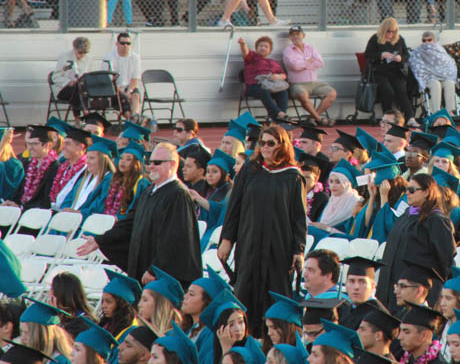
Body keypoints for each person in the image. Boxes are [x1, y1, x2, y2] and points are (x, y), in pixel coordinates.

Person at [217, 125, 305, 338]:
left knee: (274, 296)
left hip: (279, 247)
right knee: (245, 291)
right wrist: (227, 239)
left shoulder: (292, 176)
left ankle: (274, 345)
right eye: (262, 143)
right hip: (249, 243)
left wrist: (298, 249)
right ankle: (244, 344)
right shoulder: (250, 170)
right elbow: (234, 208)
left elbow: (299, 217)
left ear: (282, 146)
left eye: (271, 144)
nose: (265, 147)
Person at [76, 141, 201, 287]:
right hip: (144, 269)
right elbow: (129, 223)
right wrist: (101, 240)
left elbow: (174, 239)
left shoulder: (178, 195)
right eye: (150, 161)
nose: (151, 166)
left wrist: (155, 269)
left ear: (172, 165)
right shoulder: (150, 192)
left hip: (161, 276)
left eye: (157, 162)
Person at [376, 173, 456, 313]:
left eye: (412, 190)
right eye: (407, 189)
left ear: (426, 192)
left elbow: (446, 259)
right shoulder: (407, 215)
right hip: (391, 285)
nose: (407, 193)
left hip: (417, 288)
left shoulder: (435, 220)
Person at [283, 25, 337, 127]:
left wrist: (302, 63)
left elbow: (320, 63)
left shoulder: (311, 48)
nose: (295, 37)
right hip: (298, 84)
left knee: (332, 93)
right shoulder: (288, 51)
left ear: (303, 35)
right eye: (292, 35)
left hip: (314, 83)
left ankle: (312, 118)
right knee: (302, 95)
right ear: (290, 38)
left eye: (297, 34)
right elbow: (294, 66)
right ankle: (319, 119)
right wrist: (308, 61)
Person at [364, 17, 414, 125]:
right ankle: (387, 117)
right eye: (388, 31)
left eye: (393, 32)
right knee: (388, 91)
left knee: (401, 91)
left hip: (395, 71)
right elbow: (368, 56)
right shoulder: (375, 39)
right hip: (379, 72)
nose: (390, 34)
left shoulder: (399, 39)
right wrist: (381, 55)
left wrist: (400, 58)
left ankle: (410, 117)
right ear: (384, 30)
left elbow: (406, 55)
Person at [237, 35, 289, 122]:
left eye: (266, 46)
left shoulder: (274, 62)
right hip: (254, 86)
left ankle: (279, 122)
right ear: (256, 48)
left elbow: (283, 75)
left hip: (271, 86)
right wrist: (243, 44)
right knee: (263, 92)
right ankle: (279, 115)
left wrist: (278, 76)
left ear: (270, 50)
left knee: (283, 93)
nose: (263, 48)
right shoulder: (252, 57)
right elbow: (245, 51)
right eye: (260, 46)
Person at [409, 30, 458, 116]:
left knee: (450, 83)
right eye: (424, 40)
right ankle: (437, 112)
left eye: (429, 40)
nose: (426, 42)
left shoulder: (440, 50)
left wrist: (443, 73)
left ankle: (450, 112)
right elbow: (417, 66)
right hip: (428, 77)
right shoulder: (418, 52)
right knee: (435, 84)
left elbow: (448, 64)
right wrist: (431, 73)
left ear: (434, 40)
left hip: (443, 76)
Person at [51, 36, 94, 121]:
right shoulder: (65, 57)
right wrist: (67, 82)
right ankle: (82, 116)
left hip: (80, 90)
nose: (82, 55)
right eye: (80, 52)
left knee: (81, 90)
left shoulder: (89, 59)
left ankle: (85, 117)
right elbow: (55, 77)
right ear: (74, 49)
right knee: (77, 90)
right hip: (63, 89)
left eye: (85, 52)